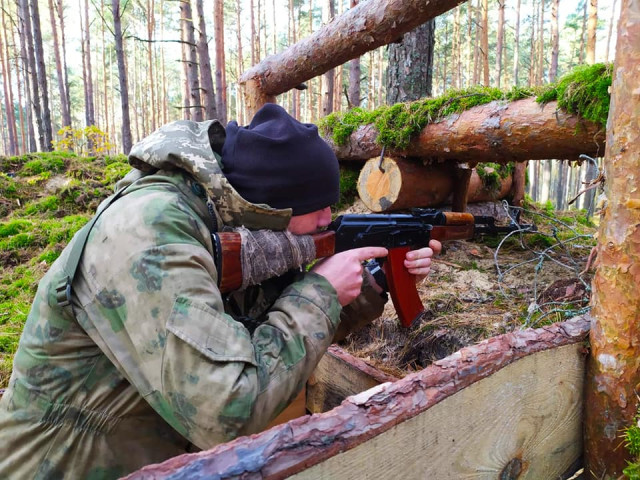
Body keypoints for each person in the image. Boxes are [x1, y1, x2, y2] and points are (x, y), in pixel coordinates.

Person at [0, 104, 440, 478]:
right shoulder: (149, 233)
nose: (329, 218)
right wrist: (320, 291)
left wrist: (374, 282)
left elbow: (268, 338)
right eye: (317, 206)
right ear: (267, 206)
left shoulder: (231, 224)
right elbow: (229, 410)